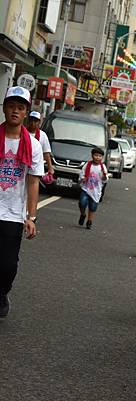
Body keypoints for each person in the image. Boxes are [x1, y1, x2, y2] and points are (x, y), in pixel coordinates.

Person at [0, 86, 44, 318]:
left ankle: (3, 292)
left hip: (13, 213)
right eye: (11, 106)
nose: (15, 111)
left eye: (20, 107)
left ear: (26, 112)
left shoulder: (33, 145)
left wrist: (31, 216)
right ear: (4, 108)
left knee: (7, 265)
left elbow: (33, 182)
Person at [78, 148, 108, 229]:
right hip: (86, 188)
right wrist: (83, 178)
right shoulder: (87, 165)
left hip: (96, 190)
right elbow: (81, 174)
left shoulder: (102, 167)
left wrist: (105, 176)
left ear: (102, 157)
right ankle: (83, 214)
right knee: (82, 203)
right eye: (96, 155)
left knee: (93, 207)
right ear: (92, 156)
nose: (97, 157)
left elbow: (105, 180)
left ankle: (89, 221)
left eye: (100, 156)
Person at [26, 111, 54, 178]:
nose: (33, 123)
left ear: (39, 122)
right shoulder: (22, 132)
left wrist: (50, 167)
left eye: (35, 121)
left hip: (36, 167)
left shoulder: (43, 135)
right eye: (31, 120)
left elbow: (46, 152)